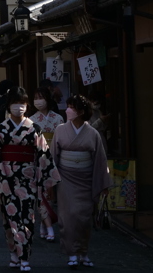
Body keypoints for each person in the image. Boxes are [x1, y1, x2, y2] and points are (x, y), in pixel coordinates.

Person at [0, 88, 61, 272]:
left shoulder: (34, 128)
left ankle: (24, 256)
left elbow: (44, 156)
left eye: (23, 103)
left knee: (27, 217)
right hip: (6, 178)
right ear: (9, 106)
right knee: (9, 219)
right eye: (16, 103)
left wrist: (48, 183)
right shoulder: (1, 129)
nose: (20, 107)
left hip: (28, 179)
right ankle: (13, 253)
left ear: (27, 106)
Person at [53, 94, 112, 269]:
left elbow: (100, 160)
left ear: (81, 111)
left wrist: (103, 183)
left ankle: (83, 252)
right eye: (68, 106)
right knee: (69, 216)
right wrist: (50, 180)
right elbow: (54, 157)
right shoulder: (60, 130)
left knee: (84, 218)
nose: (68, 110)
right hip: (66, 179)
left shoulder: (92, 134)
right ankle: (72, 253)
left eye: (72, 107)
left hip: (86, 179)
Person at [30, 85, 65, 242]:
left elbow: (61, 140)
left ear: (47, 99)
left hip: (55, 157)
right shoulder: (31, 120)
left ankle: (46, 224)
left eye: (41, 97)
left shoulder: (58, 119)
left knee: (53, 194)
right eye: (35, 98)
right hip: (38, 159)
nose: (38, 101)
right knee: (41, 193)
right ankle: (48, 225)